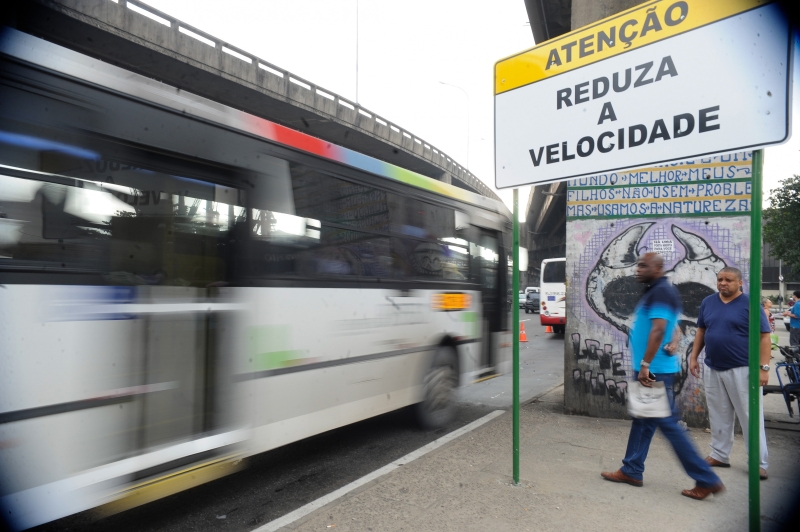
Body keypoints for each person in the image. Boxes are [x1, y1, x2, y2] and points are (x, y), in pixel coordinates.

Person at [601, 253, 724, 499]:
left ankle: (706, 478)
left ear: (657, 268)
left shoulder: (660, 292)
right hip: (653, 368)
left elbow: (658, 330)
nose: (638, 269)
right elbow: (672, 325)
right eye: (638, 264)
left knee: (668, 424)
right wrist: (673, 340)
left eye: (643, 265)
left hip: (653, 371)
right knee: (643, 420)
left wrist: (645, 364)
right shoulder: (658, 290)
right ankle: (632, 469)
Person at [689, 267, 771, 480]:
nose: (723, 283)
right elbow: (701, 330)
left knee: (749, 416)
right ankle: (720, 454)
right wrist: (693, 357)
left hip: (743, 368)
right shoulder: (708, 302)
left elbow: (764, 337)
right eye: (720, 279)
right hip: (713, 366)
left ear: (739, 283)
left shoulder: (750, 304)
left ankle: (758, 462)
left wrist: (764, 368)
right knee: (718, 414)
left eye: (728, 280)